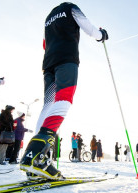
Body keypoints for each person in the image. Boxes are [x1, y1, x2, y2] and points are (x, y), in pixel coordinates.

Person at [20, 2, 108, 179]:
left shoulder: (48, 18)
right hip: (66, 59)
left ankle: (34, 163)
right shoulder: (70, 8)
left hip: (48, 63)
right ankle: (37, 155)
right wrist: (101, 35)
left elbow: (45, 44)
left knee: (48, 105)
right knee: (64, 100)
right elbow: (90, 29)